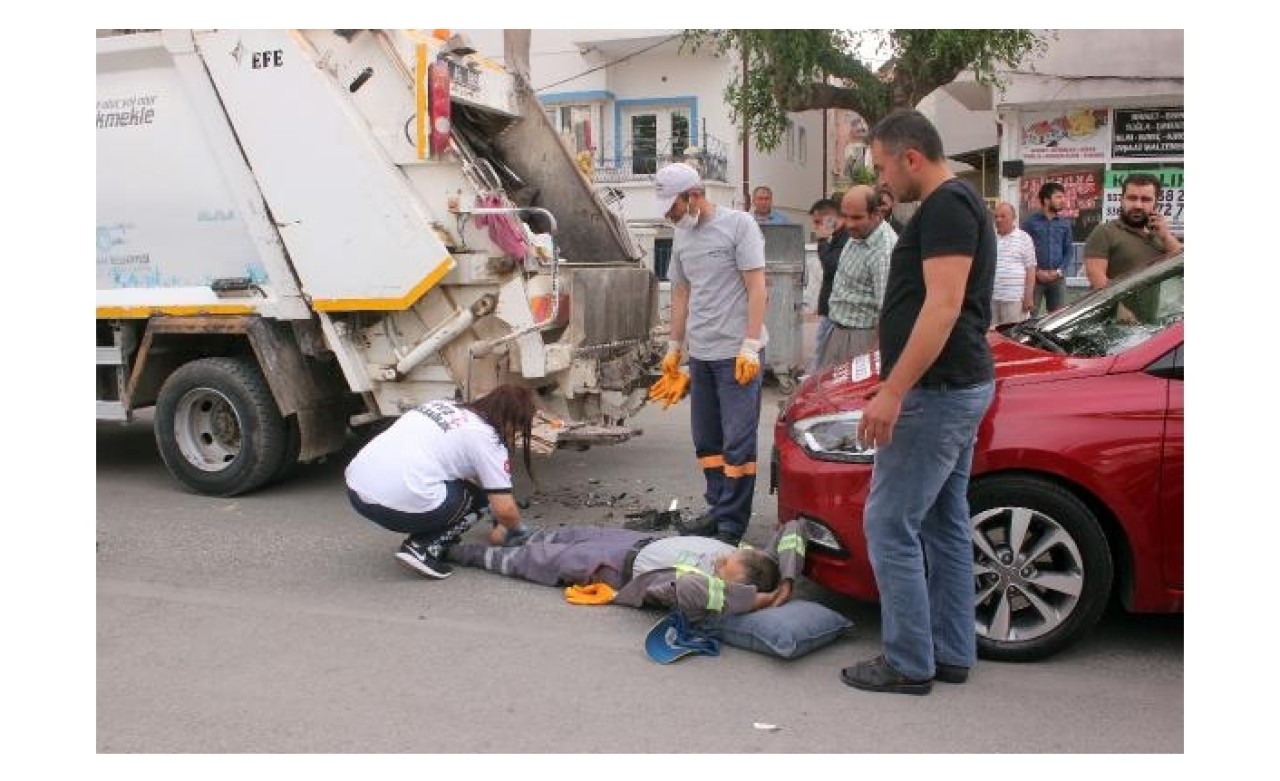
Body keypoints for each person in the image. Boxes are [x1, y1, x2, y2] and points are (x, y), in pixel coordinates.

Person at [842, 108, 996, 696]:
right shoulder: (950, 206)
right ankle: (952, 651)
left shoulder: (948, 207)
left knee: (888, 524)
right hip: (955, 387)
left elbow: (943, 306)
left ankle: (908, 661)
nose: (881, 180)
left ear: (911, 158)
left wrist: (893, 390)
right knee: (942, 522)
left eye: (882, 166)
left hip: (936, 393)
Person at [651, 162, 768, 547]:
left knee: (738, 442)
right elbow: (681, 293)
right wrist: (674, 347)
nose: (671, 216)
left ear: (694, 195)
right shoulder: (682, 238)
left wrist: (750, 345)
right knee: (707, 440)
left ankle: (732, 525)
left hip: (737, 354)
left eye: (674, 207)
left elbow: (756, 287)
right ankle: (717, 508)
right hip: (701, 354)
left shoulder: (739, 226)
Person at [344, 384, 538, 580]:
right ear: (511, 422)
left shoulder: (440, 405)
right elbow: (504, 508)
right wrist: (515, 529)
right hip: (394, 507)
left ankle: (431, 533)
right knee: (479, 499)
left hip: (356, 491)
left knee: (458, 482)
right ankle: (423, 548)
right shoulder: (487, 439)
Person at [447, 519, 806, 622]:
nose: (719, 561)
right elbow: (795, 527)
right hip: (633, 542)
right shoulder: (747, 556)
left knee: (539, 560)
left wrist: (754, 600)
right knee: (568, 533)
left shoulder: (705, 590)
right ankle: (510, 536)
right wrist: (787, 581)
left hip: (615, 569)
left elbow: (691, 593)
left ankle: (462, 553)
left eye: (724, 568)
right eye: (727, 558)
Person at [814, 185, 897, 370]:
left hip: (862, 341)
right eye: (845, 216)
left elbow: (888, 315)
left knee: (851, 397)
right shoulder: (859, 234)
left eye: (857, 217)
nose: (849, 224)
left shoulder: (883, 250)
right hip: (837, 331)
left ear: (877, 214)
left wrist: (874, 362)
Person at [1083, 172, 1182, 290]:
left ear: (1155, 203)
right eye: (1132, 198)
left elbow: (1182, 266)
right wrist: (1121, 309)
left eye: (1146, 199)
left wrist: (1166, 236)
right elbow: (1097, 281)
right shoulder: (1105, 232)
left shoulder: (1161, 236)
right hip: (1115, 308)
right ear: (1122, 200)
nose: (1138, 205)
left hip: (1150, 308)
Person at [807, 196, 850, 374]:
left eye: (818, 222)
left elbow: (832, 265)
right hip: (830, 309)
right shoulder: (837, 237)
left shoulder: (845, 238)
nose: (815, 227)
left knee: (822, 358)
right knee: (820, 355)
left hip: (836, 311)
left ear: (830, 219)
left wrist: (822, 241)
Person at [1021, 181, 1075, 314]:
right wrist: (1037, 272)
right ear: (1046, 200)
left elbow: (1068, 251)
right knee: (1029, 316)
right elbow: (1022, 250)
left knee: (1057, 319)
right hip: (1035, 278)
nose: (1063, 201)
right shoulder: (1030, 223)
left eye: (1063, 197)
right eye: (1058, 197)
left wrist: (1058, 271)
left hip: (1057, 279)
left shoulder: (1065, 224)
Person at [991, 201, 1037, 326]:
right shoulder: (990, 238)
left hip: (1015, 299)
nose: (998, 220)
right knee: (992, 337)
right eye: (996, 216)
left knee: (1013, 336)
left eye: (1003, 216)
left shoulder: (1024, 238)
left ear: (1013, 218)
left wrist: (1028, 297)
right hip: (992, 298)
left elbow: (1031, 269)